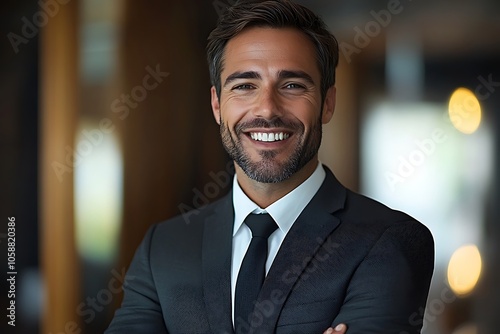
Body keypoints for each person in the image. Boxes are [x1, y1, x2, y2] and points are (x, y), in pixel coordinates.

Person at [106, 0, 434, 333]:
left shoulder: (390, 241)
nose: (267, 108)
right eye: (244, 86)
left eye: (292, 85)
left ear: (327, 103)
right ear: (217, 104)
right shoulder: (163, 247)